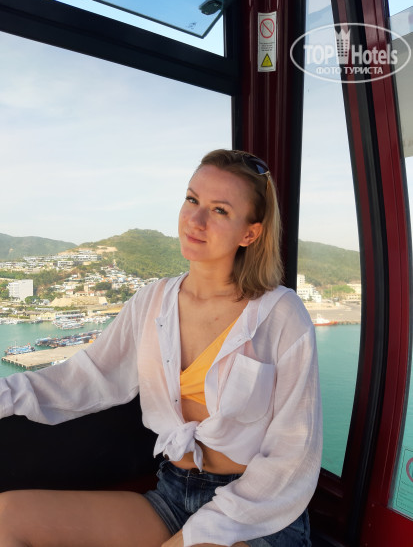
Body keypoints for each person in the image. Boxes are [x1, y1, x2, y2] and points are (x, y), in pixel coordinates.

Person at [0, 149, 322, 547]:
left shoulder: (281, 315)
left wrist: (199, 533)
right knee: (7, 518)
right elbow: (87, 376)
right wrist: (6, 394)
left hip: (256, 513)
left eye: (219, 210)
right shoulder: (152, 302)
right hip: (172, 494)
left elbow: (293, 456)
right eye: (192, 199)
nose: (195, 220)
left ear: (250, 233)